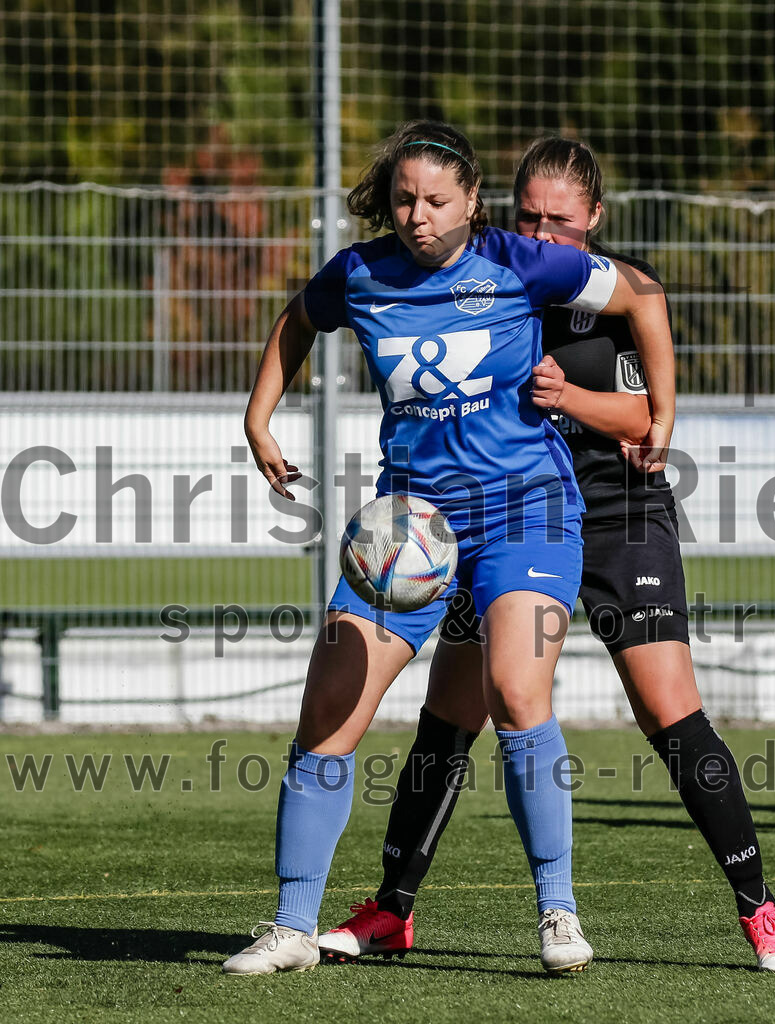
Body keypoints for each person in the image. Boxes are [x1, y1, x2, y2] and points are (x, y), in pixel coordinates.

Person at [317, 137, 775, 973]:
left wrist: (571, 397)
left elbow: (643, 417)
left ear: (595, 219)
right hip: (506, 518)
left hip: (617, 512)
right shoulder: (486, 273)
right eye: (530, 217)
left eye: (561, 221)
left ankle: (759, 905)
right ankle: (390, 910)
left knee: (667, 709)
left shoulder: (603, 293)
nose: (544, 234)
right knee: (453, 709)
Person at [221, 121, 676, 975]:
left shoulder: (522, 260)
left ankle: (557, 912)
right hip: (410, 530)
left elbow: (642, 297)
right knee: (328, 710)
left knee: (515, 689)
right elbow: (300, 317)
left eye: (435, 200)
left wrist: (663, 412)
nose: (417, 216)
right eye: (403, 200)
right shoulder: (360, 272)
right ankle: (289, 927)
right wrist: (258, 417)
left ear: (470, 200)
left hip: (526, 510)